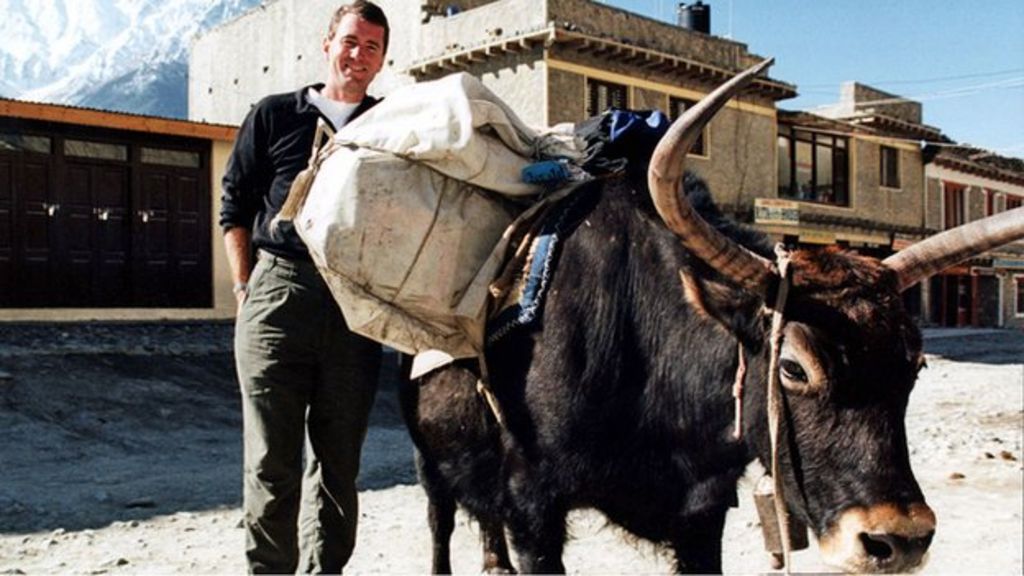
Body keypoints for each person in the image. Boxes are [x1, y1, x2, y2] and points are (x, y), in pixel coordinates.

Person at [219, 2, 389, 572]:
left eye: (371, 47)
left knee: (339, 466)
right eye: (349, 41)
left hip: (353, 304)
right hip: (278, 295)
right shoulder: (273, 114)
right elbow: (235, 206)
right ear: (326, 44)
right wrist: (246, 287)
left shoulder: (391, 125)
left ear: (383, 59)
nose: (357, 55)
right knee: (271, 463)